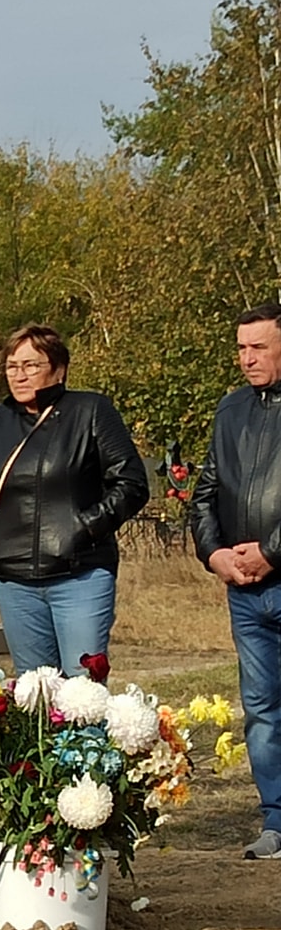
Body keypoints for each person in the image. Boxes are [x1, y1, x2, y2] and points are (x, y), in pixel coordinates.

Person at [0, 325, 148, 676]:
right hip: (14, 581)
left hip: (80, 575)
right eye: (12, 366)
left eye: (30, 365)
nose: (19, 375)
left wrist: (82, 529)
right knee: (37, 692)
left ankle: (89, 735)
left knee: (82, 690)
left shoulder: (90, 411)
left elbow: (131, 483)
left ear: (58, 369)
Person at [191, 303, 281, 858]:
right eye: (242, 348)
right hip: (244, 590)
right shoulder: (231, 411)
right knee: (262, 707)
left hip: (273, 569)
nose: (248, 358)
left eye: (260, 347)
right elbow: (205, 492)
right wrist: (214, 553)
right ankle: (275, 820)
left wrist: (272, 552)